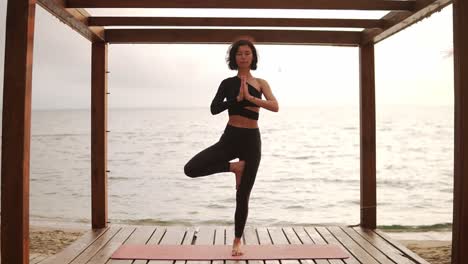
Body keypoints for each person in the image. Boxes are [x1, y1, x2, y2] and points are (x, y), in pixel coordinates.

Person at [184, 38, 279, 256]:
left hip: (251, 140)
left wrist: (251, 99)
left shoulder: (261, 83)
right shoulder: (227, 83)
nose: (244, 56)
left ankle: (237, 241)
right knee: (191, 168)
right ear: (234, 58)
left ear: (252, 57)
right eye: (239, 53)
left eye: (247, 53)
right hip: (230, 137)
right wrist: (237, 99)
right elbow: (214, 108)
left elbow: (275, 106)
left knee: (243, 194)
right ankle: (233, 167)